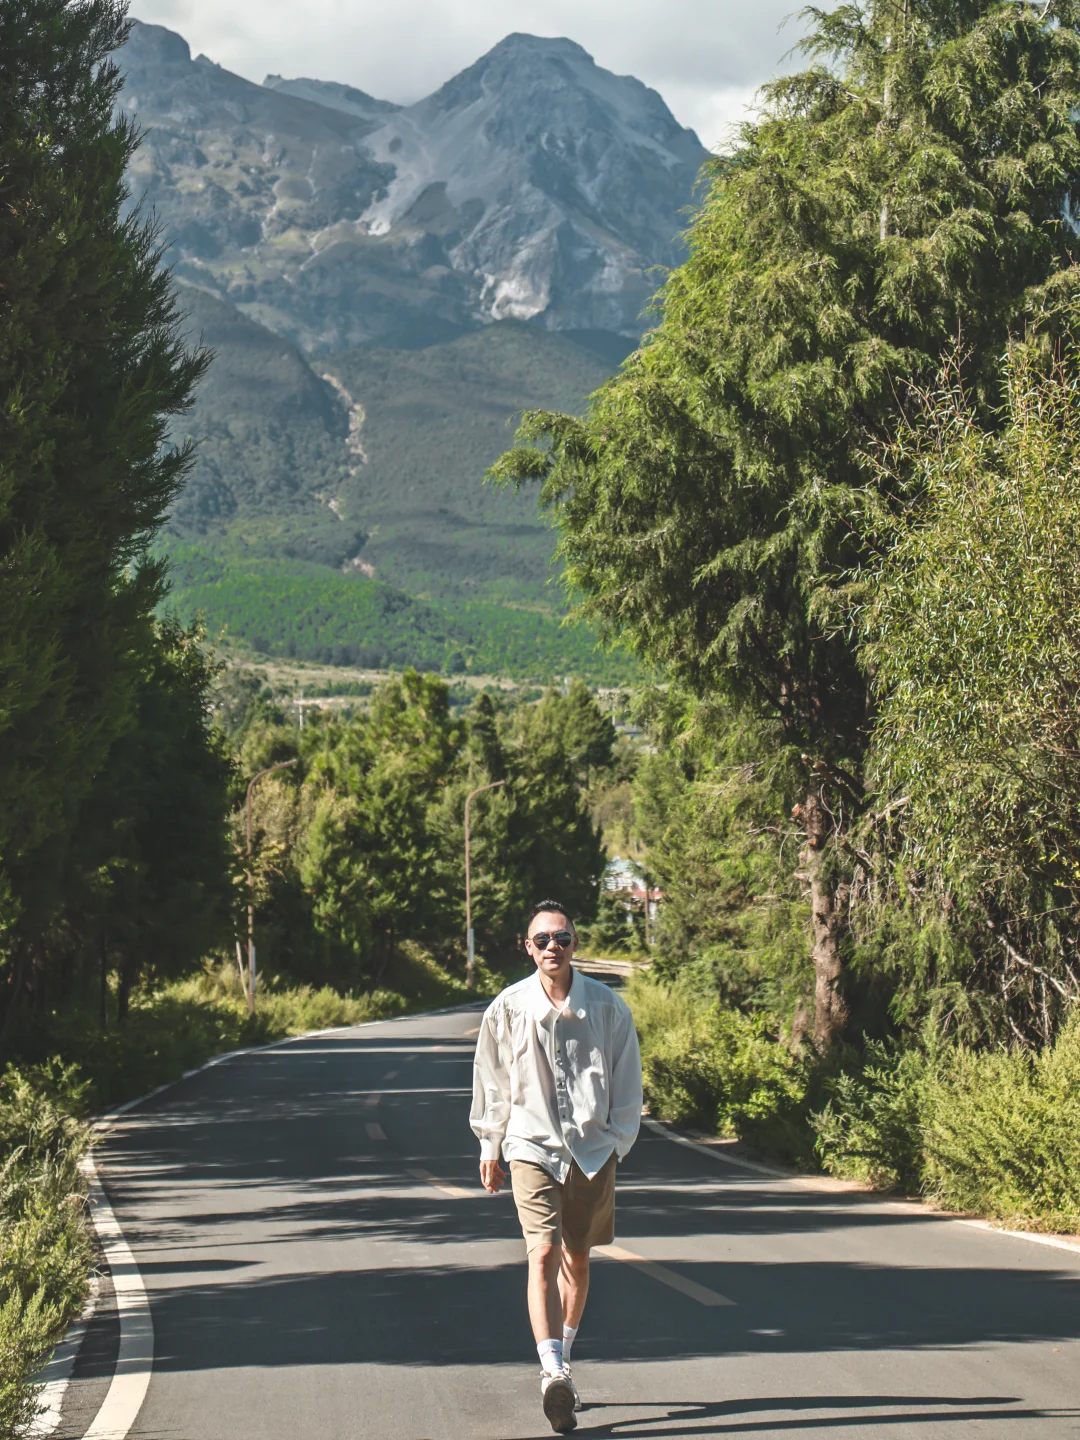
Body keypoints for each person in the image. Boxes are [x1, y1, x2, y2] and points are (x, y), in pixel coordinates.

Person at [470, 900, 643, 1434]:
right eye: (542, 939)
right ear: (528, 946)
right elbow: (492, 1080)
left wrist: (617, 1140)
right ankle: (552, 1373)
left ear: (574, 943)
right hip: (530, 1147)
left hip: (592, 1151)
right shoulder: (507, 1008)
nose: (553, 947)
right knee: (541, 1252)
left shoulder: (607, 1008)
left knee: (579, 1258)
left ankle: (563, 1354)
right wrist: (489, 1144)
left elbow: (627, 1077)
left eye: (561, 938)